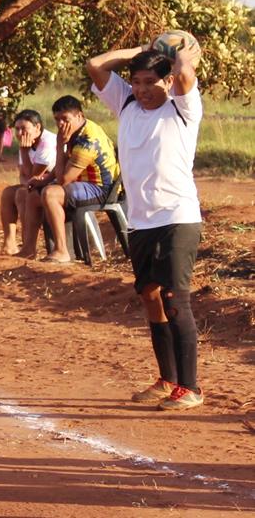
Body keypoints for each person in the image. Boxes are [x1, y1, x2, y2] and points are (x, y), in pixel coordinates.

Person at [87, 42, 204, 411]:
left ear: (167, 81)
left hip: (177, 218)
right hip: (140, 220)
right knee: (150, 297)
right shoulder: (126, 105)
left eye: (149, 81)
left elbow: (185, 71)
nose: (141, 89)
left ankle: (191, 388)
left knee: (174, 300)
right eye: (135, 82)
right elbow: (95, 64)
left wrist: (178, 50)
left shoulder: (182, 108)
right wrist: (140, 49)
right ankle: (167, 380)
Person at [17, 96, 119, 261]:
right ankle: (29, 249)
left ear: (79, 116)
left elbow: (63, 179)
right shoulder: (76, 130)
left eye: (65, 119)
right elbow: (65, 163)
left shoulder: (88, 141)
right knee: (33, 193)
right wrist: (42, 180)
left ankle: (62, 251)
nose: (60, 124)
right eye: (57, 119)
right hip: (82, 182)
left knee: (51, 194)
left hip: (100, 188)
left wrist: (59, 145)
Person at [0, 110, 56, 255]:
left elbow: (34, 174)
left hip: (54, 184)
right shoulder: (26, 142)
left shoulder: (47, 142)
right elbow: (23, 175)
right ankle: (9, 244)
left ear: (37, 128)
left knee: (21, 194)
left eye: (24, 128)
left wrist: (24, 152)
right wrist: (27, 182)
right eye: (17, 129)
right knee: (8, 193)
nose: (19, 133)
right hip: (35, 183)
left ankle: (28, 247)